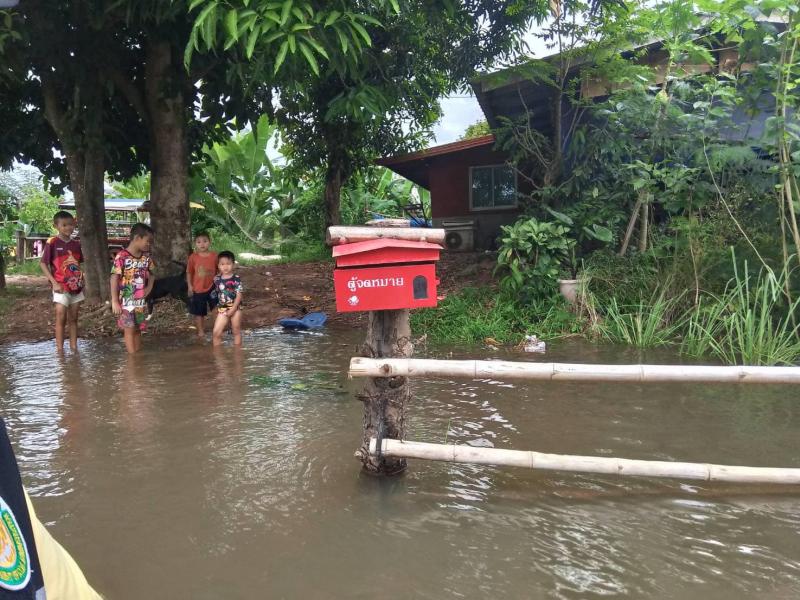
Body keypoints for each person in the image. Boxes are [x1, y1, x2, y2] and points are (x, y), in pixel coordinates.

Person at [39, 210, 84, 352]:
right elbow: (43, 263)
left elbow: (79, 263)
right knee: (60, 315)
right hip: (60, 286)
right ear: (56, 226)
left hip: (76, 287)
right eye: (64, 225)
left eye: (71, 224)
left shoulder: (76, 244)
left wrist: (83, 279)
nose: (68, 228)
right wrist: (54, 283)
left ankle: (74, 348)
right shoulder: (52, 242)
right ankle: (60, 351)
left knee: (74, 318)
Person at [110, 223, 155, 354]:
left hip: (140, 301)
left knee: (138, 329)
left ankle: (137, 356)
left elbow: (152, 274)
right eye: (148, 241)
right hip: (126, 300)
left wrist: (148, 288)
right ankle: (132, 359)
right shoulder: (122, 256)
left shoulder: (146, 258)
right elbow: (114, 277)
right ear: (137, 238)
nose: (149, 244)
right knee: (129, 329)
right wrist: (114, 301)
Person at [186, 231, 218, 339]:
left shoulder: (214, 256)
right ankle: (200, 332)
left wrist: (220, 283)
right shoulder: (193, 257)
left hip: (213, 287)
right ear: (195, 244)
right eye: (199, 242)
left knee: (216, 309)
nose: (202, 244)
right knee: (199, 312)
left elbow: (219, 270)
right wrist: (190, 286)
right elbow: (189, 272)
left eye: (205, 241)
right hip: (198, 289)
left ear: (209, 242)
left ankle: (217, 329)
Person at [212, 251, 243, 346]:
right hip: (222, 308)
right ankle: (217, 354)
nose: (225, 267)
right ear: (218, 266)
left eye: (228, 264)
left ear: (233, 265)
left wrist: (233, 308)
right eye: (222, 264)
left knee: (236, 330)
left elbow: (239, 295)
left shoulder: (236, 278)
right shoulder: (217, 279)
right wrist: (216, 308)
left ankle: (238, 353)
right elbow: (217, 293)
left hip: (235, 307)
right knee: (216, 332)